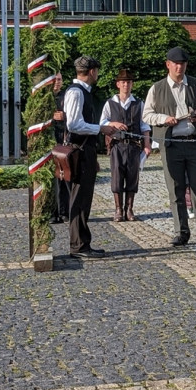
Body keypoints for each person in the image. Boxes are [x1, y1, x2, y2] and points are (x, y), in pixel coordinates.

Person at [142, 46, 196, 247]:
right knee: (175, 189)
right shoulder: (157, 88)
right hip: (172, 144)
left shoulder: (194, 84)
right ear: (168, 65)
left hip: (194, 143)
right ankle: (181, 232)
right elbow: (146, 115)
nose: (179, 67)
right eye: (176, 64)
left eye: (183, 64)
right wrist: (163, 119)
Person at [63, 56, 127, 259]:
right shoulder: (76, 92)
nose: (97, 75)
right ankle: (78, 245)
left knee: (84, 198)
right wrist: (101, 128)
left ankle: (82, 242)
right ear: (91, 71)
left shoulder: (83, 92)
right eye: (96, 71)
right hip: (79, 151)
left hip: (85, 151)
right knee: (79, 199)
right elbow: (74, 124)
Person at [99, 68, 151, 222]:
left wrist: (147, 145)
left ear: (132, 84)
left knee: (132, 176)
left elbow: (145, 126)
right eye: (123, 82)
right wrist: (113, 123)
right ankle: (118, 209)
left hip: (134, 146)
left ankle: (129, 209)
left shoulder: (138, 104)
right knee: (116, 176)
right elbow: (101, 123)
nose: (126, 85)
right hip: (117, 146)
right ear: (118, 84)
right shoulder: (110, 103)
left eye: (128, 82)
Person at [51, 73, 69, 224]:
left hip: (63, 141)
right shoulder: (45, 98)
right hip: (50, 142)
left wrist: (65, 116)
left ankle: (64, 211)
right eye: (55, 79)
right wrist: (52, 117)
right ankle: (52, 212)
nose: (57, 82)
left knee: (64, 176)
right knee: (51, 180)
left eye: (59, 79)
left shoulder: (67, 96)